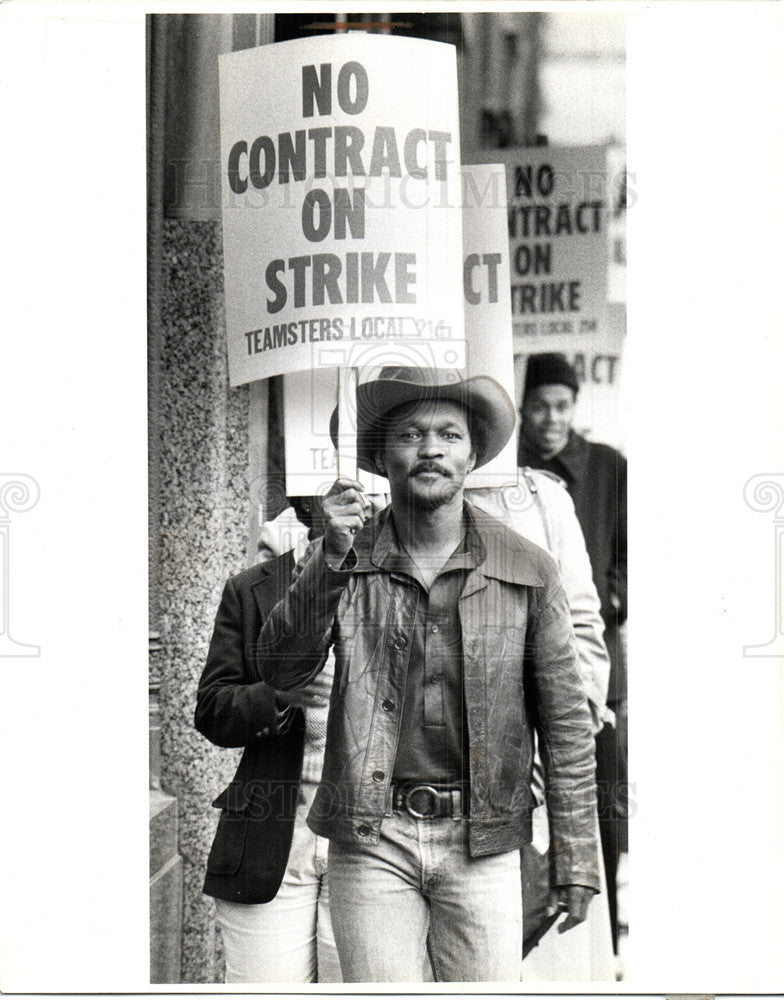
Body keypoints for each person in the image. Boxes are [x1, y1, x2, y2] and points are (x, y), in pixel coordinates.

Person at [256, 366, 601, 983]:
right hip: (371, 838)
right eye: (412, 434)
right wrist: (329, 559)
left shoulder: (527, 568)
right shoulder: (344, 555)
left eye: (449, 434)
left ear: (472, 455)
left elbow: (568, 725)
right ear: (383, 456)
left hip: (485, 839)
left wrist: (575, 857)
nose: (432, 449)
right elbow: (280, 666)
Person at [518, 351, 628, 953]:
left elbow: (634, 558)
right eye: (539, 406)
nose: (551, 419)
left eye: (562, 406)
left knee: (598, 819)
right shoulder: (507, 474)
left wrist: (611, 599)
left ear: (574, 407)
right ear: (524, 408)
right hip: (531, 684)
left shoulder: (609, 467)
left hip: (598, 677)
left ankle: (601, 948)